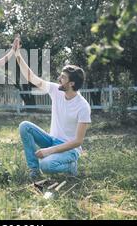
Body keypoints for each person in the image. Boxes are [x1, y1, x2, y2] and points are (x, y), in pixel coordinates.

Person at [15, 47, 91, 180]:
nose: (59, 78)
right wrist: (18, 56)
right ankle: (34, 170)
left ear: (72, 83)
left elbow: (78, 141)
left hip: (70, 149)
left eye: (63, 77)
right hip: (52, 140)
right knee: (24, 126)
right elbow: (31, 77)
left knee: (46, 165)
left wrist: (49, 151)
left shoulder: (83, 106)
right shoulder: (56, 90)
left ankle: (70, 166)